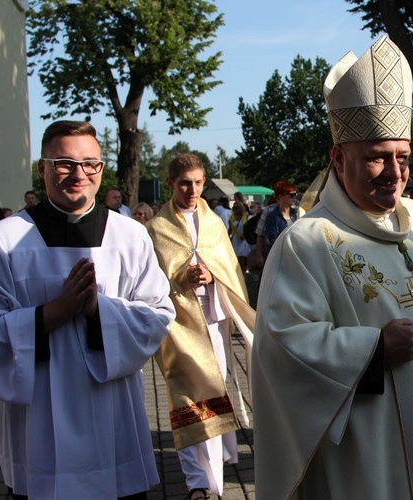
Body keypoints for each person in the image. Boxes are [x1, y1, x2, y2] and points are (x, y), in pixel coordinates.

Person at [252, 36, 413, 500]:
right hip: (368, 452)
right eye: (377, 157)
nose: (394, 172)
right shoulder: (308, 243)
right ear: (338, 157)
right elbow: (282, 347)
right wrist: (373, 348)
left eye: (403, 158)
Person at [0, 120, 175, 499]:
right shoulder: (5, 239)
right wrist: (57, 310)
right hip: (36, 421)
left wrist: (96, 310)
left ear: (101, 168)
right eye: (64, 163)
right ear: (43, 168)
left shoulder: (130, 234)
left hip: (112, 411)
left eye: (90, 164)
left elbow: (158, 315)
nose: (79, 174)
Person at [146, 153, 255, 500]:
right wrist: (181, 276)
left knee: (214, 388)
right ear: (170, 184)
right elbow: (149, 280)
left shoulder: (213, 223)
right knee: (187, 396)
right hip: (179, 326)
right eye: (184, 183)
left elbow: (229, 270)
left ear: (204, 182)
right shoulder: (157, 228)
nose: (192, 190)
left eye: (197, 182)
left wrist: (212, 276)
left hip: (214, 319)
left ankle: (215, 474)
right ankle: (198, 483)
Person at [257, 181, 297, 265]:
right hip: (277, 257)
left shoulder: (296, 213)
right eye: (291, 195)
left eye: (295, 195)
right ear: (281, 196)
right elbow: (261, 235)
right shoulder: (270, 214)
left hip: (294, 257)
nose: (294, 198)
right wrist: (259, 255)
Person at [229, 200, 250, 272]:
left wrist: (244, 235)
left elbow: (248, 227)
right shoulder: (232, 218)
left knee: (243, 256)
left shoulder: (246, 216)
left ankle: (244, 270)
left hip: (244, 238)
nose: (235, 209)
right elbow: (230, 229)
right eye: (234, 208)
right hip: (236, 239)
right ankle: (240, 272)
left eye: (237, 207)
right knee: (237, 257)